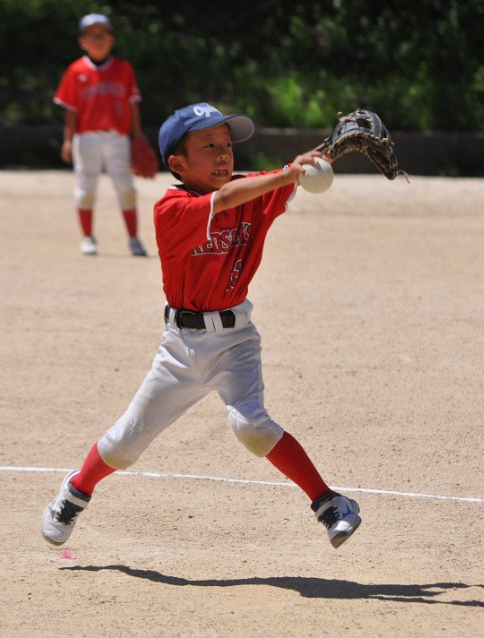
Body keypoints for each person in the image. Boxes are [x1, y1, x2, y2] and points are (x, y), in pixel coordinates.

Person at [41, 102, 362, 549]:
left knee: (253, 428)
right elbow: (231, 198)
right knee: (124, 445)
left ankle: (329, 503)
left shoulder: (251, 189)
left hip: (235, 341)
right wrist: (288, 173)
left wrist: (328, 151)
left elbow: (291, 173)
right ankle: (76, 491)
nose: (223, 153)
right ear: (178, 164)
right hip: (180, 349)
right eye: (208, 146)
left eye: (227, 144)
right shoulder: (172, 208)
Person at [53, 13, 148, 257]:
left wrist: (137, 136)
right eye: (92, 35)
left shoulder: (123, 69)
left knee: (126, 188)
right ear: (82, 41)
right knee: (86, 188)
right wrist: (67, 140)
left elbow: (132, 105)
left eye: (102, 34)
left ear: (111, 39)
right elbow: (71, 110)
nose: (98, 39)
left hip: (117, 138)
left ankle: (134, 238)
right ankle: (87, 237)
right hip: (87, 137)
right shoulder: (75, 70)